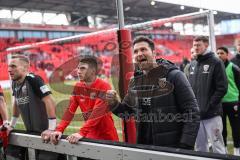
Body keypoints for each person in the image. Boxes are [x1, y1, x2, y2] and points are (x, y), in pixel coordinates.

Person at [106, 36, 200, 149]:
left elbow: (192, 111)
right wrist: (113, 103)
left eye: (143, 49)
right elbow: (126, 111)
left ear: (154, 53)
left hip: (172, 147)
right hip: (145, 147)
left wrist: (185, 145)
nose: (139, 54)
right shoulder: (135, 82)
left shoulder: (174, 76)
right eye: (135, 51)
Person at [50, 56, 118, 144]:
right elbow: (70, 110)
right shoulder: (78, 87)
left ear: (93, 71)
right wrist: (59, 129)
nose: (78, 71)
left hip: (107, 136)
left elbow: (97, 113)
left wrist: (82, 132)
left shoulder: (104, 87)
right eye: (78, 68)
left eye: (82, 68)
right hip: (89, 135)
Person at [7, 55, 62, 160]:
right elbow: (16, 102)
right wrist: (12, 125)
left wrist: (51, 129)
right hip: (31, 132)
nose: (9, 69)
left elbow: (49, 100)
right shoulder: (14, 83)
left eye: (13, 66)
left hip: (47, 134)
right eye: (9, 66)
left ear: (25, 67)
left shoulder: (33, 80)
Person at [187, 36, 228, 154]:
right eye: (194, 45)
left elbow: (222, 88)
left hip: (212, 114)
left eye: (198, 45)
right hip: (197, 115)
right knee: (200, 147)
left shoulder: (216, 62)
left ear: (206, 45)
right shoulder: (193, 64)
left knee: (217, 146)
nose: (195, 48)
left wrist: (209, 105)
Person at [217, 46, 240, 155]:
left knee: (236, 127)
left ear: (227, 55)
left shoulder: (234, 68)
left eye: (221, 53)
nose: (219, 55)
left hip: (233, 102)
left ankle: (237, 149)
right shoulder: (215, 68)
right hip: (220, 103)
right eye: (218, 53)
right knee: (222, 129)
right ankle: (224, 149)